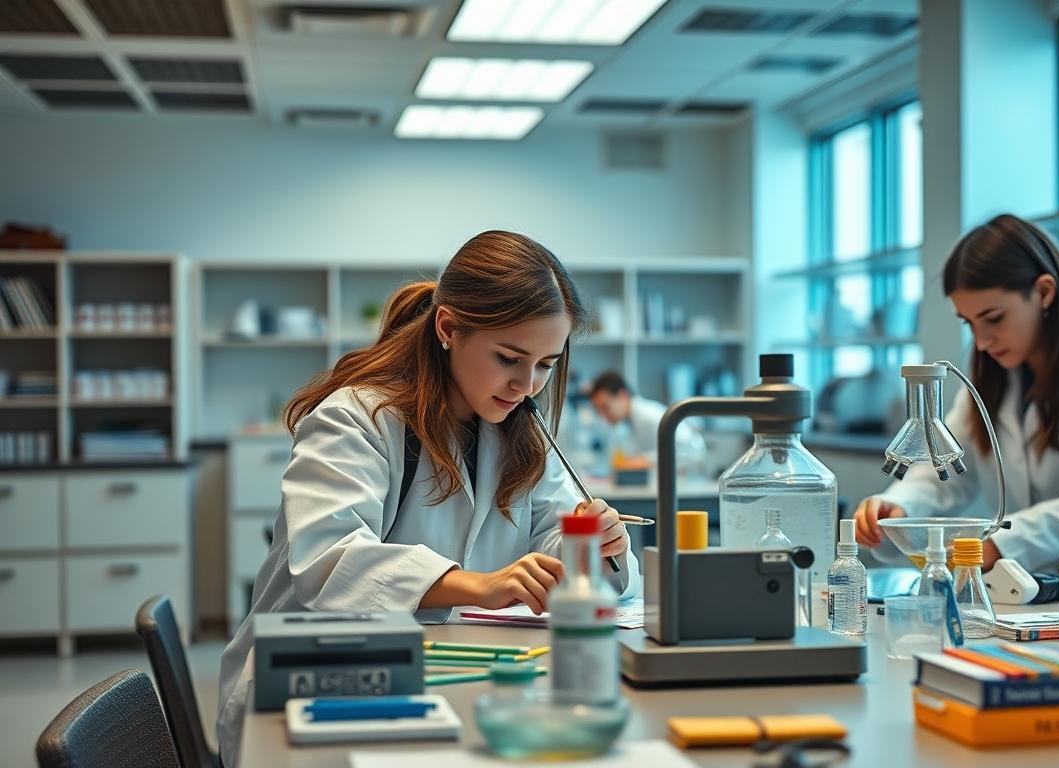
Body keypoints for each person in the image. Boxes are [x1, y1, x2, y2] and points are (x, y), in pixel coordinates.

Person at [216, 231, 640, 766]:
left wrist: (590, 547)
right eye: (509, 358)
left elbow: (550, 535)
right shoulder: (356, 418)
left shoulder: (520, 431)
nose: (527, 385)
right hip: (313, 688)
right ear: (448, 329)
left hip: (444, 672)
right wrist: (480, 585)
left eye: (546, 364)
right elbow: (329, 561)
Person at [854, 214, 1059, 572]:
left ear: (1044, 292)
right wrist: (901, 508)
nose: (982, 342)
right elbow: (950, 469)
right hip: (1023, 590)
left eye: (994, 318)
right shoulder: (994, 373)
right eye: (970, 323)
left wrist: (1000, 543)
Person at [587, 370, 706, 468]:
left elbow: (692, 451)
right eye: (599, 410)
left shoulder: (647, 415)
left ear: (622, 395)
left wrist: (644, 460)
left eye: (605, 407)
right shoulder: (632, 420)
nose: (603, 416)